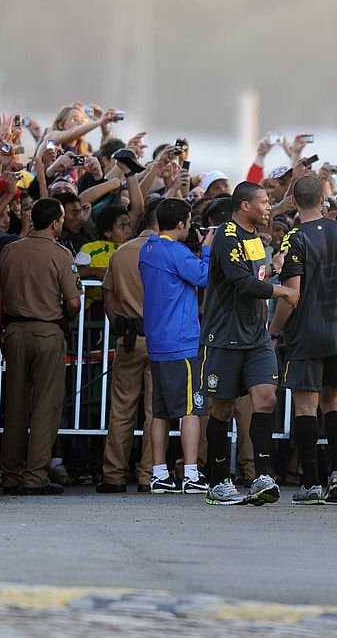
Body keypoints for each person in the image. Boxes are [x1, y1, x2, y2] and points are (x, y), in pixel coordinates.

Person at [270, 175, 337, 505]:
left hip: (306, 333)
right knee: (333, 401)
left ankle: (312, 482)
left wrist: (272, 332)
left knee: (305, 406)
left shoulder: (293, 239)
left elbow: (292, 294)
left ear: (295, 201)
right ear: (324, 198)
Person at [200, 182, 298, 506]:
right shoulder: (226, 236)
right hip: (226, 335)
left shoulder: (255, 237)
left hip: (256, 337)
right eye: (265, 202)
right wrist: (281, 290)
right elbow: (242, 283)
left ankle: (262, 475)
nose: (269, 207)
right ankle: (217, 481)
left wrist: (273, 268)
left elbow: (256, 273)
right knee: (222, 408)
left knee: (266, 398)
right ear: (245, 206)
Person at [0, 198, 82, 495]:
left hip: (14, 331)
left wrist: (1, 330)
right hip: (47, 333)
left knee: (15, 404)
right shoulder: (60, 254)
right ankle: (34, 477)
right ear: (55, 222)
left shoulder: (10, 250)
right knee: (45, 406)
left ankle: (11, 474)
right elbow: (73, 302)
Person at [138, 198, 212, 494]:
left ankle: (159, 473)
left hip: (157, 341)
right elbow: (204, 277)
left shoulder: (149, 248)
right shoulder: (176, 251)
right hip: (181, 342)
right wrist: (206, 249)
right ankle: (191, 473)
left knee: (160, 411)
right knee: (190, 409)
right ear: (182, 223)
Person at [97, 200, 159, 493]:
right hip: (161, 341)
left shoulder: (122, 252)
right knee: (154, 412)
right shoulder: (169, 253)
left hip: (129, 339)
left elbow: (108, 297)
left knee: (121, 409)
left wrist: (120, 326)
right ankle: (148, 475)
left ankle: (114, 475)